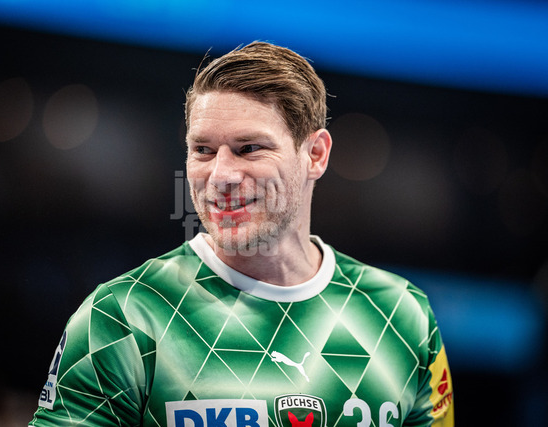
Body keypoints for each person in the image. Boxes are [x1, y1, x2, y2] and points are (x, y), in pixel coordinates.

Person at [29, 41, 454, 427]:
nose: (221, 175)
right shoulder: (123, 317)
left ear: (315, 154)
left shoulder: (403, 315)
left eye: (249, 148)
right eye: (203, 150)